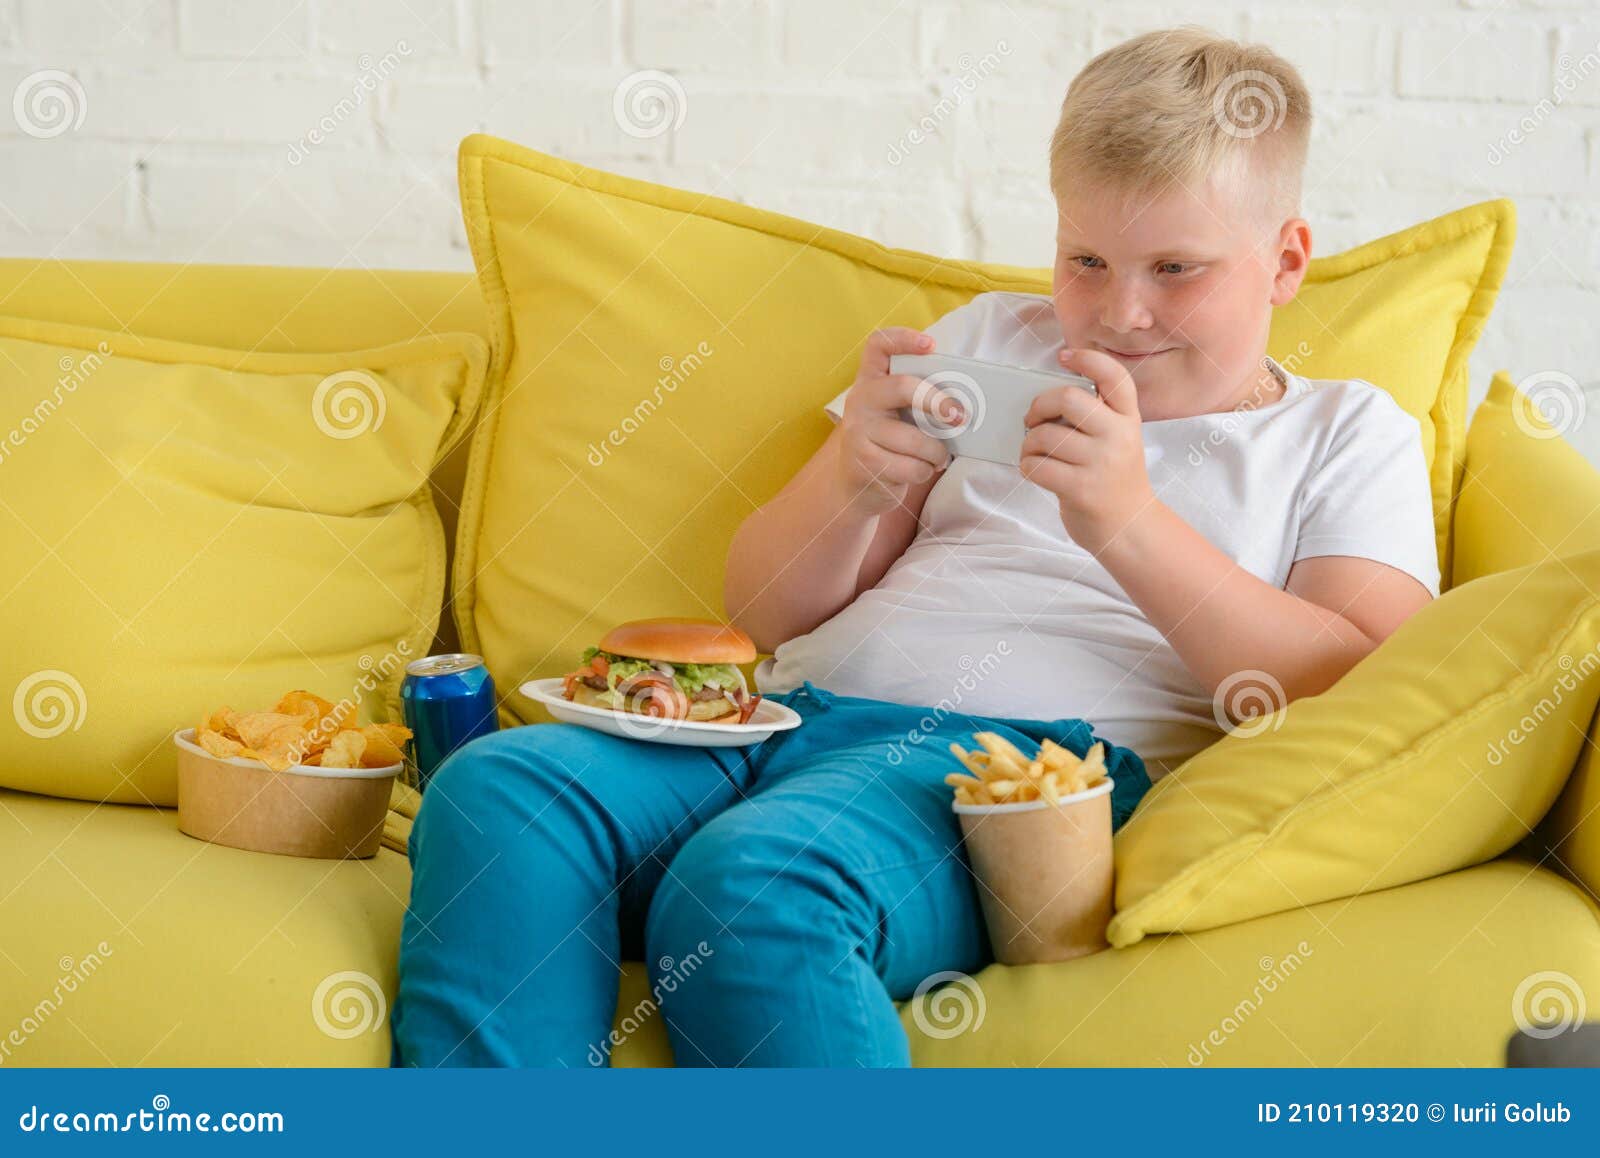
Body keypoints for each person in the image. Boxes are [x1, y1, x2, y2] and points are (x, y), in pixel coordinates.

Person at [392, 26, 1439, 1068]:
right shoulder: (991, 340)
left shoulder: (1342, 432)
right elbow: (763, 616)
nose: (1122, 312)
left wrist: (1128, 525)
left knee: (758, 886)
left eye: (1176, 268)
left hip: (1014, 774)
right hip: (782, 721)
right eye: (1086, 259)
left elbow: (1357, 686)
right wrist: (852, 479)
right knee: (498, 791)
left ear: (1285, 261)